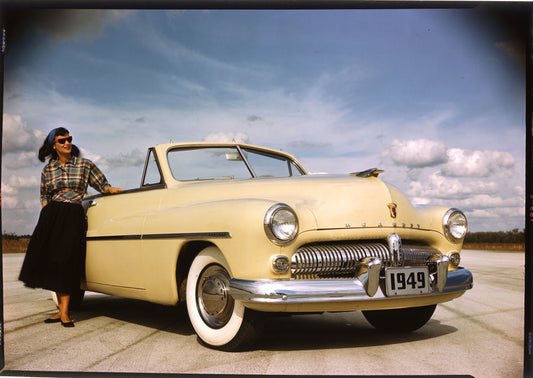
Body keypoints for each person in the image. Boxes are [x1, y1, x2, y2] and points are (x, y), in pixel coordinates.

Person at [19, 127, 123, 327]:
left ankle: (65, 312)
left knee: (67, 261)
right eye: (62, 140)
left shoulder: (84, 165)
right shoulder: (48, 169)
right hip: (52, 216)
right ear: (54, 146)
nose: (67, 143)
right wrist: (46, 211)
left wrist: (112, 190)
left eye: (69, 139)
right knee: (54, 262)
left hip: (73, 214)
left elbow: (102, 185)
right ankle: (61, 311)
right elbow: (44, 194)